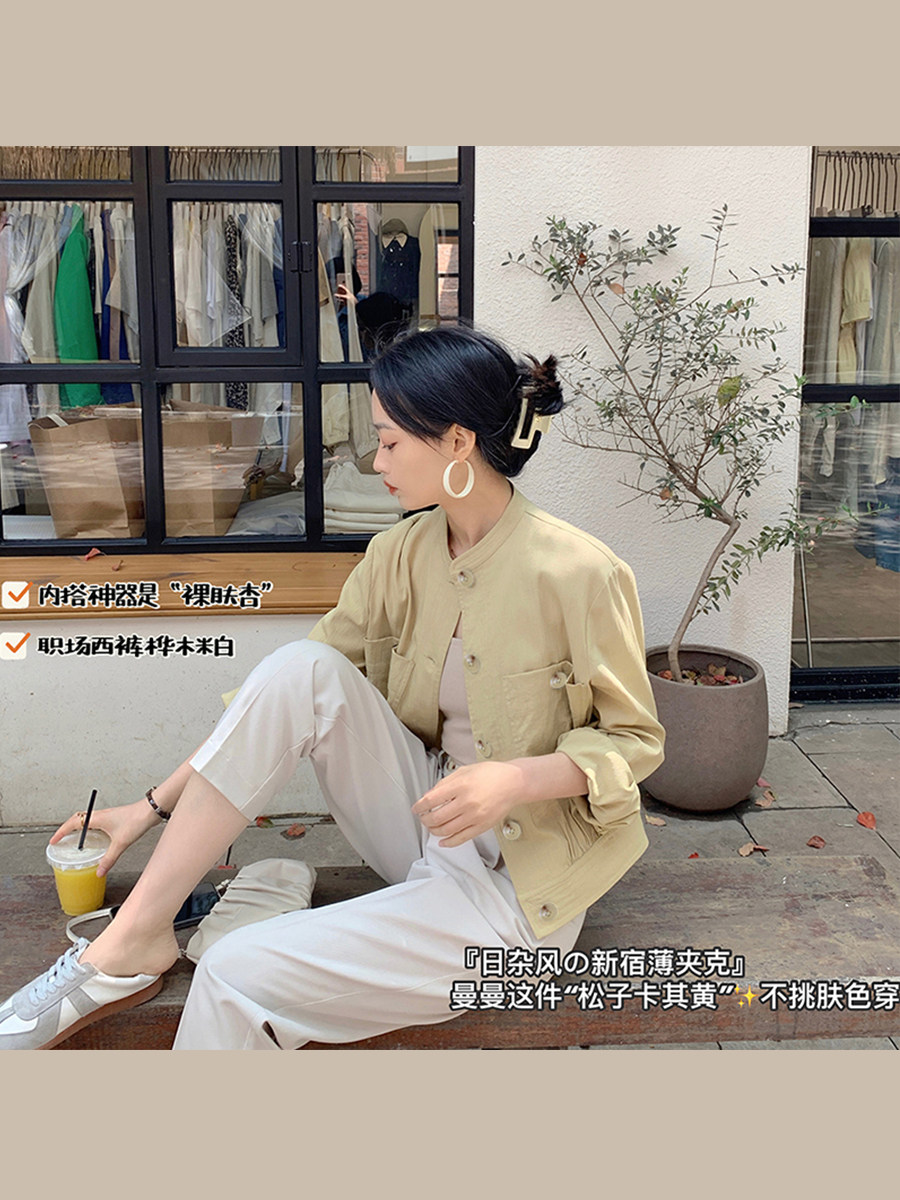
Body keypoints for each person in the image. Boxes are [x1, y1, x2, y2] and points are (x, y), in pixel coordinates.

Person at [0, 325, 665, 1051]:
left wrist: (515, 779)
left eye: (389, 442)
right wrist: (150, 807)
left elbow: (635, 741)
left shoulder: (579, 571)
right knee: (302, 667)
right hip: (423, 824)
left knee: (233, 971)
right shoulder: (398, 555)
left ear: (456, 441)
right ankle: (132, 939)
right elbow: (277, 703)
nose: (376, 462)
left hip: (519, 887)